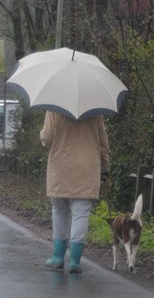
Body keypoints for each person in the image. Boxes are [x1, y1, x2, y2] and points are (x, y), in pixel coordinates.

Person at [40, 110, 109, 274]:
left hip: (60, 166)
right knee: (81, 214)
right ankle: (75, 261)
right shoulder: (95, 111)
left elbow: (47, 139)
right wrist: (105, 168)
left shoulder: (54, 108)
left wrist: (42, 133)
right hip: (87, 168)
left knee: (59, 211)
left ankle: (57, 258)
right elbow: (103, 143)